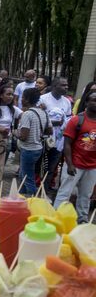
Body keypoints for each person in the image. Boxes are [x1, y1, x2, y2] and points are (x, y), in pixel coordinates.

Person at [53, 91, 96, 224]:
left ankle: (82, 220)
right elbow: (67, 144)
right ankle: (56, 218)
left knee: (85, 195)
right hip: (75, 164)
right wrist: (70, 164)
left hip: (92, 166)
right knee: (65, 193)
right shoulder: (77, 120)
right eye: (93, 100)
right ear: (87, 102)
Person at [17, 88, 53, 195]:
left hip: (28, 149)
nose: (21, 99)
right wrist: (37, 131)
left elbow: (23, 136)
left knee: (28, 178)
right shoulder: (43, 112)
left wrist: (14, 133)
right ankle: (21, 196)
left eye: (23, 97)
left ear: (27, 100)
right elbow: (49, 130)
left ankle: (32, 199)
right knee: (23, 174)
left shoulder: (27, 114)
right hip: (38, 148)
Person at [40, 77, 72, 193]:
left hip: (59, 141)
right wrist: (52, 123)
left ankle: (45, 189)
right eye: (63, 85)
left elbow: (68, 119)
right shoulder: (43, 99)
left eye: (67, 85)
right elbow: (38, 118)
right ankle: (35, 189)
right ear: (54, 86)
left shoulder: (67, 101)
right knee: (40, 165)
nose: (66, 87)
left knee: (52, 167)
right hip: (43, 139)